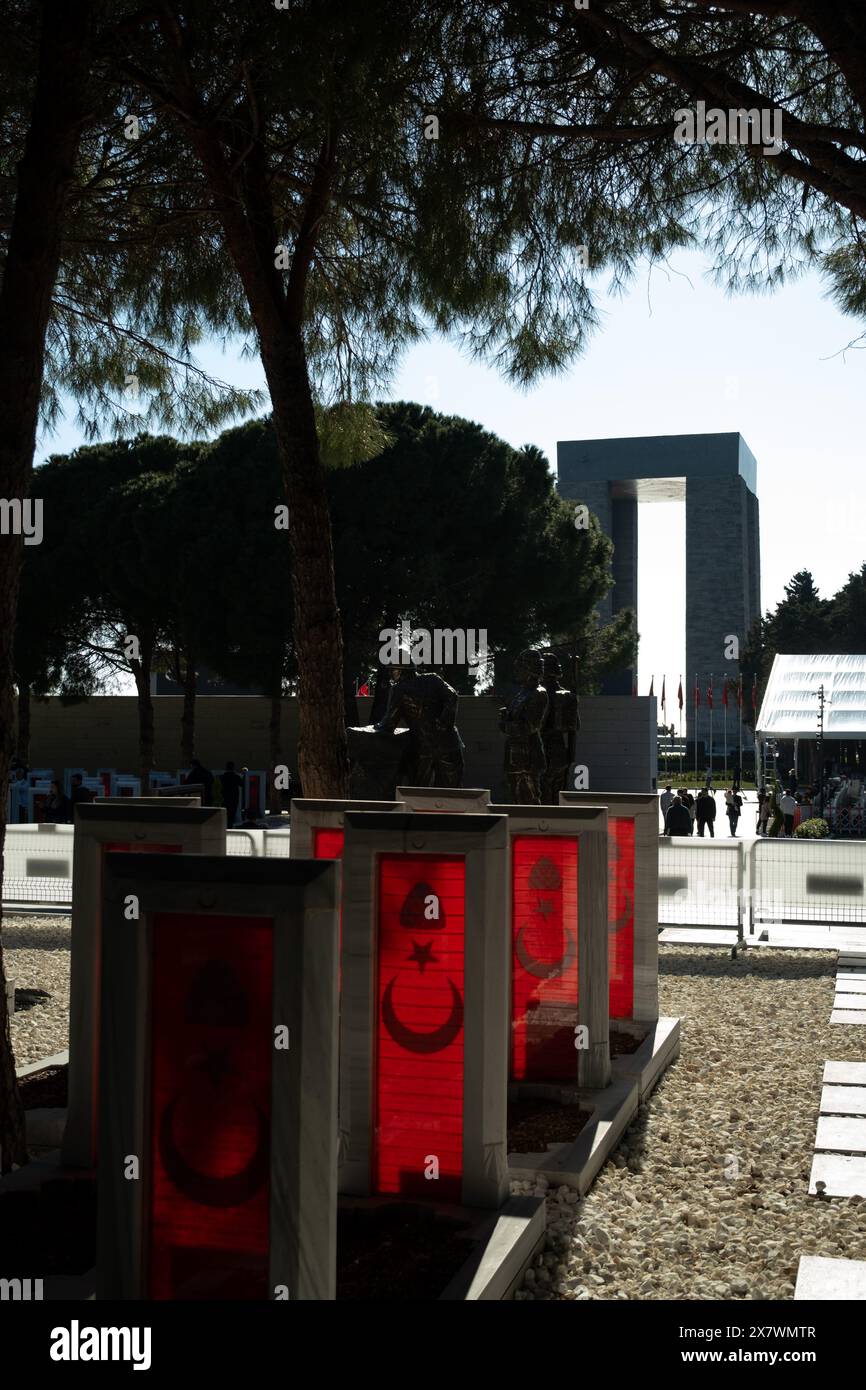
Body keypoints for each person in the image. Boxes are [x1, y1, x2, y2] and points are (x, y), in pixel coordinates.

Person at [219, 760, 244, 827]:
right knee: (232, 813)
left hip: (224, 797)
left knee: (225, 813)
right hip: (234, 798)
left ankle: (224, 825)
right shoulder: (236, 777)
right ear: (233, 768)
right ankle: (230, 826)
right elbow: (242, 784)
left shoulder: (222, 777)